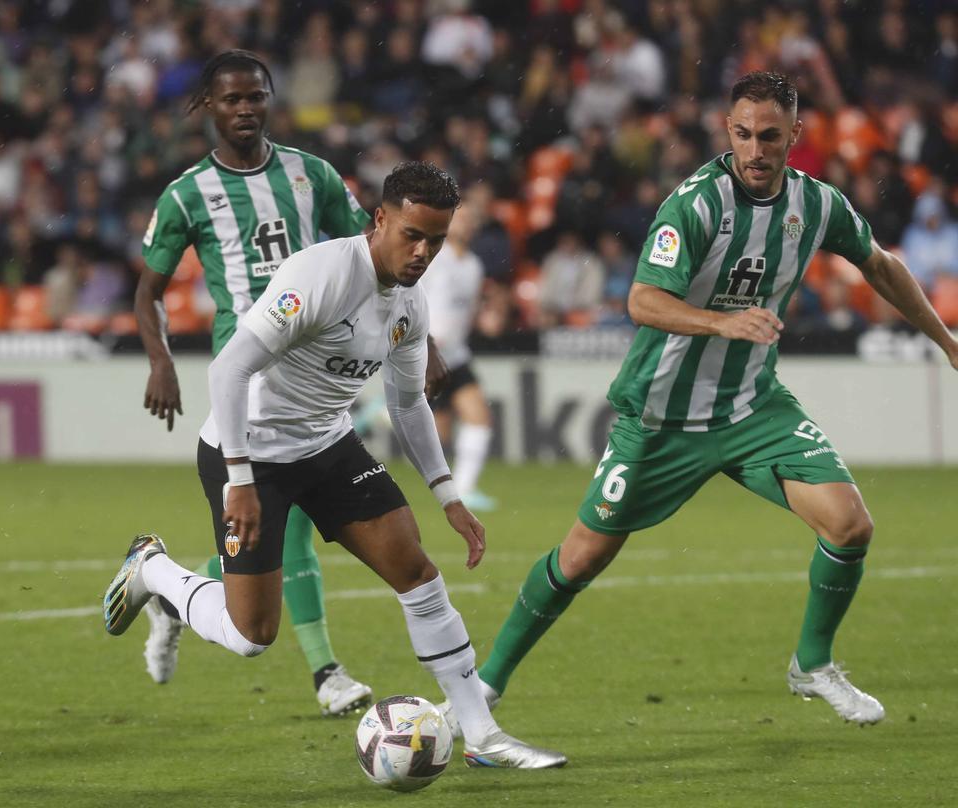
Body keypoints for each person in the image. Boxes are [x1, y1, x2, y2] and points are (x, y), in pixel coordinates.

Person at [442, 71, 958, 734]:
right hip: (660, 418)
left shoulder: (817, 204)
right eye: (742, 134)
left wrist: (945, 340)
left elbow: (880, 264)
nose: (754, 150)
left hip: (751, 407)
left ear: (795, 136)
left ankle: (813, 663)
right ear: (727, 131)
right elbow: (641, 301)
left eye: (770, 136)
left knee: (851, 525)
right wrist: (723, 321)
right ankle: (484, 687)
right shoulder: (695, 205)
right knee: (580, 557)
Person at [104, 161, 566, 768]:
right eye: (413, 235)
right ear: (380, 219)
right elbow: (228, 369)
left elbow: (407, 404)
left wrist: (449, 494)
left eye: (436, 239)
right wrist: (239, 480)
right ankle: (154, 571)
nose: (424, 252)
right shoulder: (319, 274)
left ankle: (482, 735)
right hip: (250, 454)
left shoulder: (410, 301)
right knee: (251, 637)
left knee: (419, 574)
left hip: (327, 446)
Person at [133, 50, 378, 716]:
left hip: (316, 370)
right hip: (249, 378)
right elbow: (147, 291)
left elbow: (371, 257)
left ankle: (169, 590)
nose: (246, 109)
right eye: (232, 99)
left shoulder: (312, 175)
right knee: (286, 530)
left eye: (257, 97)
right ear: (206, 106)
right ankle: (327, 672)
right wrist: (160, 358)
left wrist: (420, 338)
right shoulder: (188, 194)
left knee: (270, 548)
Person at [418, 202, 497, 510]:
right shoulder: (433, 260)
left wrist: (485, 321)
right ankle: (386, 413)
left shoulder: (474, 265)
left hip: (457, 355)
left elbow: (466, 312)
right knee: (439, 433)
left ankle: (465, 488)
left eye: (469, 219)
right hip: (429, 355)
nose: (465, 224)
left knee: (479, 418)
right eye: (459, 218)